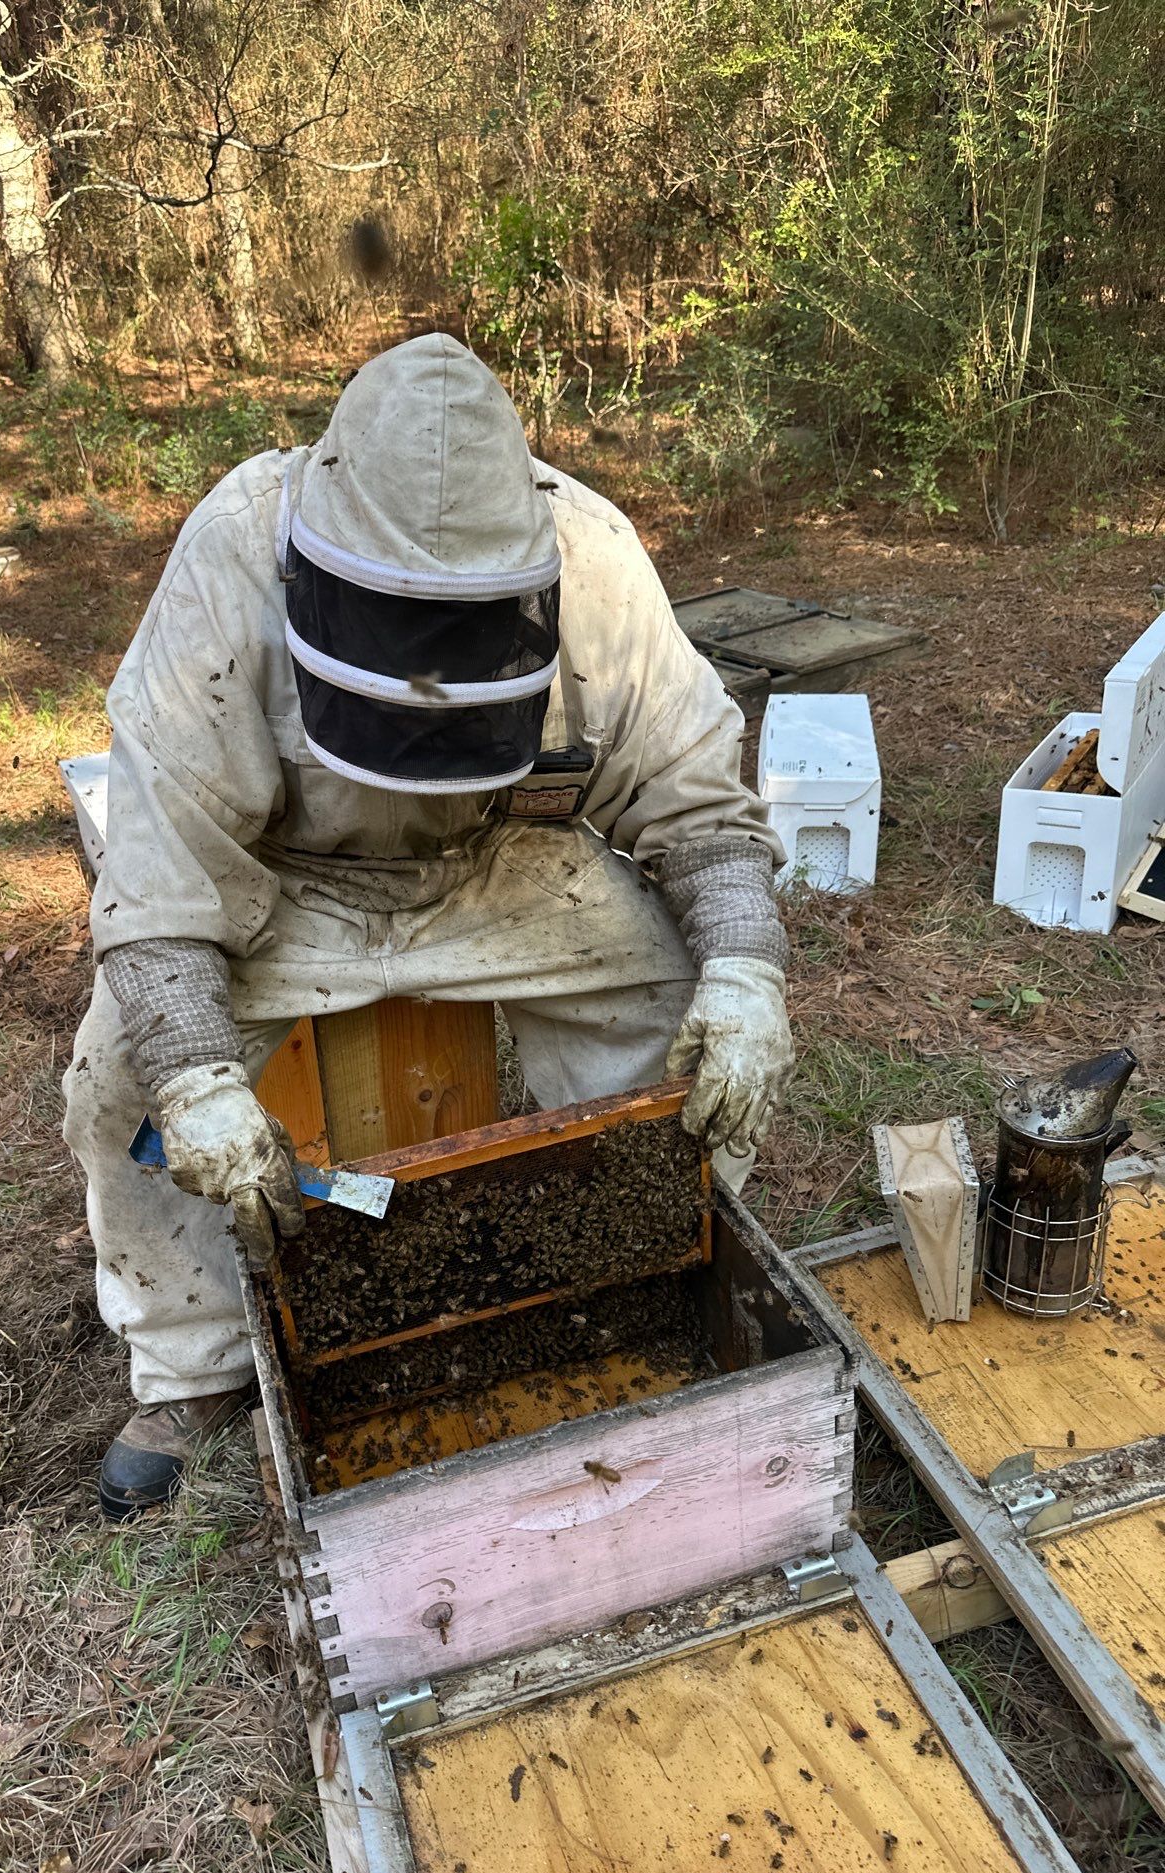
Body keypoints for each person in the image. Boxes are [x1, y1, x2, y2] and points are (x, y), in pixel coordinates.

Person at [63, 333, 794, 1519]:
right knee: (118, 1089)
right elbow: (159, 875)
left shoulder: (595, 561)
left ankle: (613, 1277)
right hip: (286, 885)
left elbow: (696, 801)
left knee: (677, 1027)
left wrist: (749, 972)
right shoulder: (236, 554)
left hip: (504, 865)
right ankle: (196, 1367)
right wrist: (194, 1077)